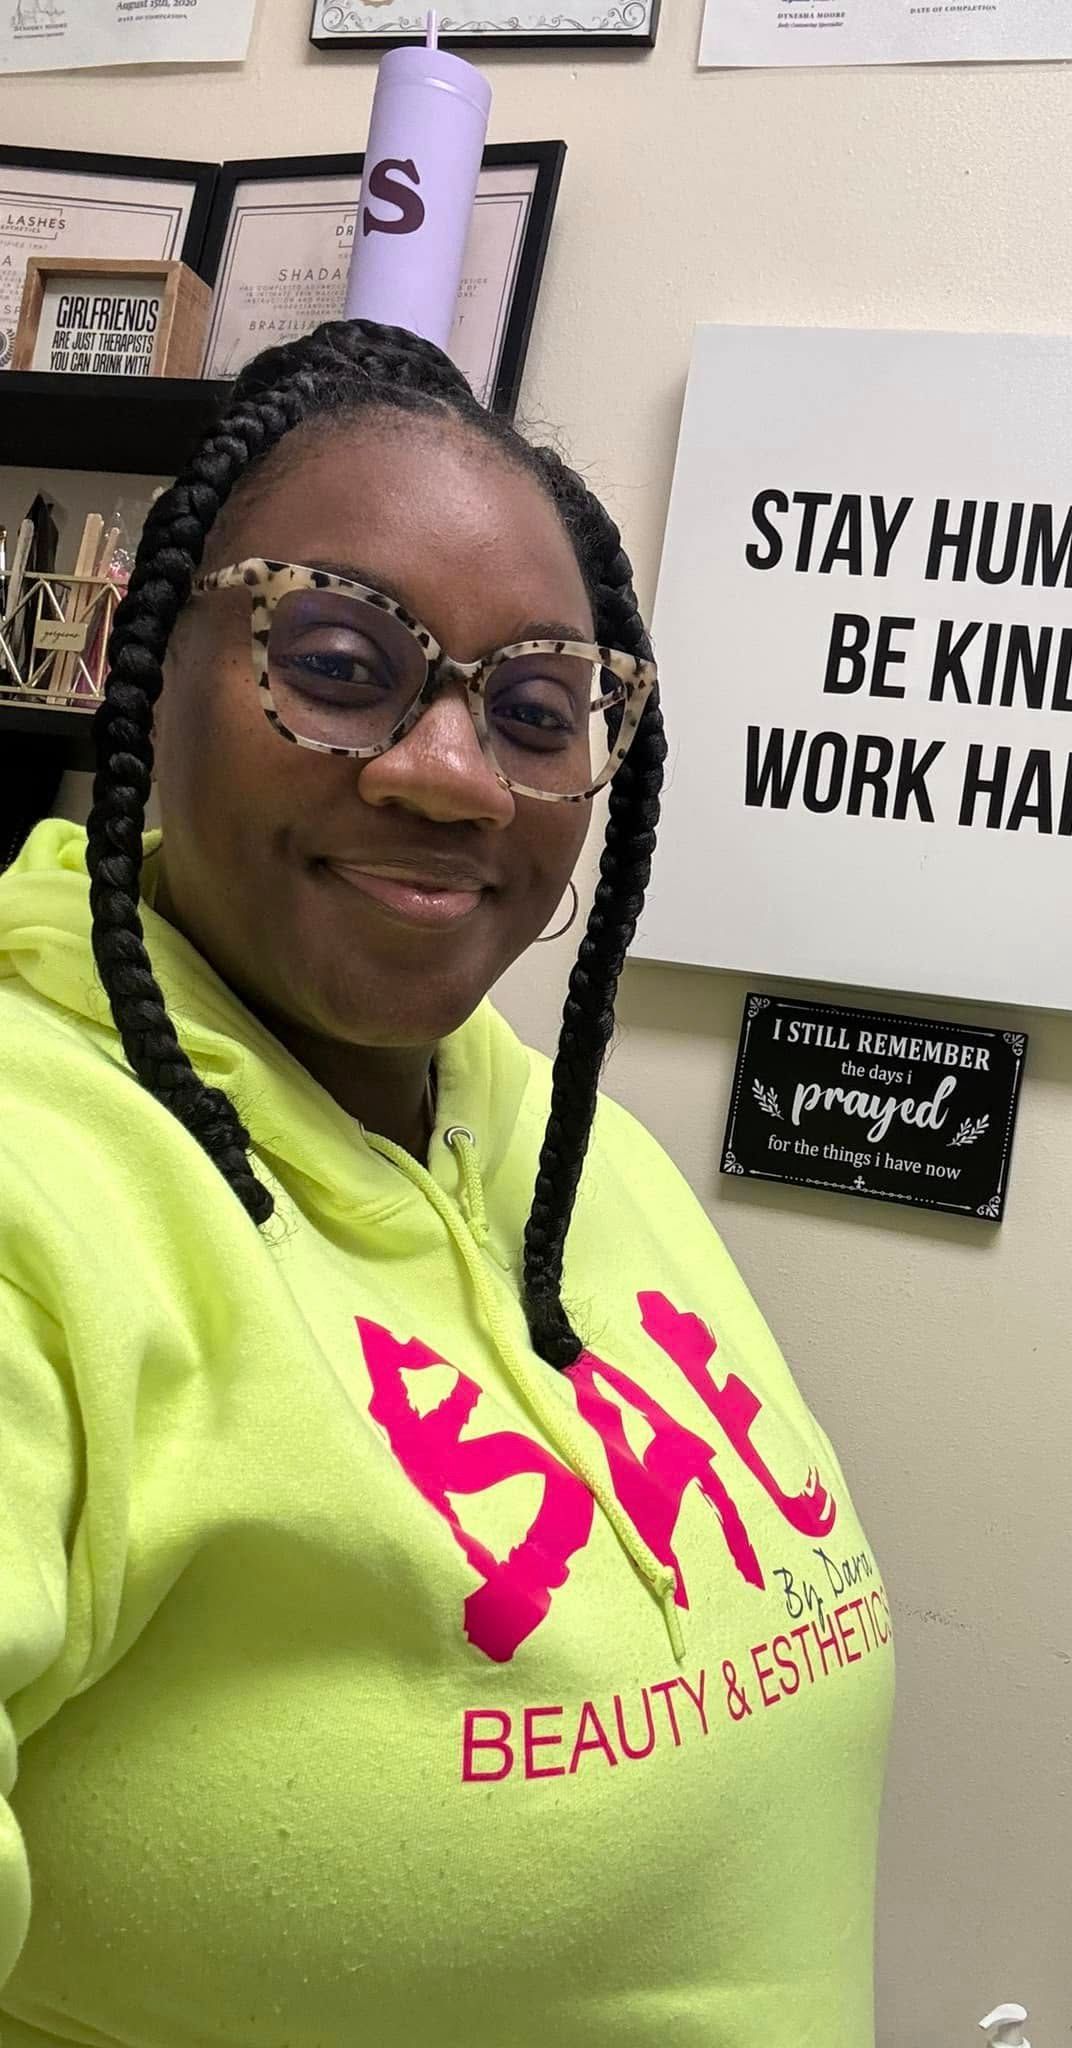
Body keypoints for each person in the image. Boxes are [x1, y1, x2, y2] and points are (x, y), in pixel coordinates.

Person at [0, 320, 893, 2046]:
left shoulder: (568, 1141)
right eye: (338, 662)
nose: (453, 774)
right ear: (136, 665)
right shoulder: (34, 1186)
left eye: (536, 710)